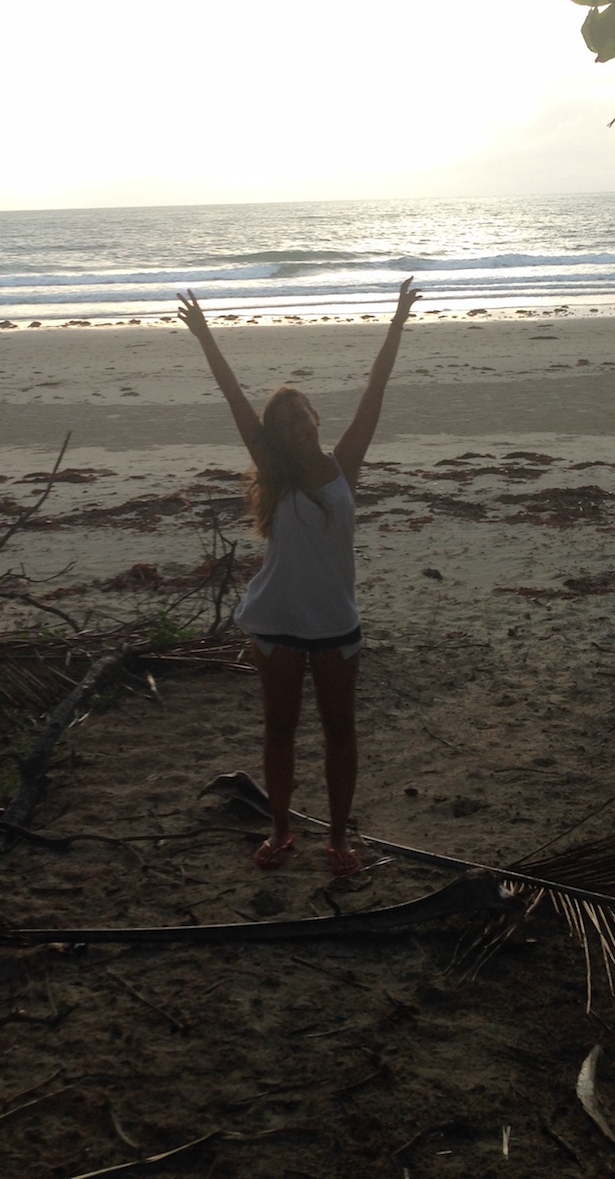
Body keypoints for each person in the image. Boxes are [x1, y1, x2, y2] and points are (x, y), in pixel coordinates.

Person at [177, 279, 421, 877]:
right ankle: (283, 830)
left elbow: (375, 388)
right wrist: (206, 336)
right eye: (282, 422)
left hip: (336, 621)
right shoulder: (276, 473)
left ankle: (338, 840)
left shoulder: (346, 464)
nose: (294, 426)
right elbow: (235, 400)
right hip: (278, 621)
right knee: (279, 731)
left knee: (341, 731)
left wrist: (396, 322)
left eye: (300, 416)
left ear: (315, 418)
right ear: (276, 433)